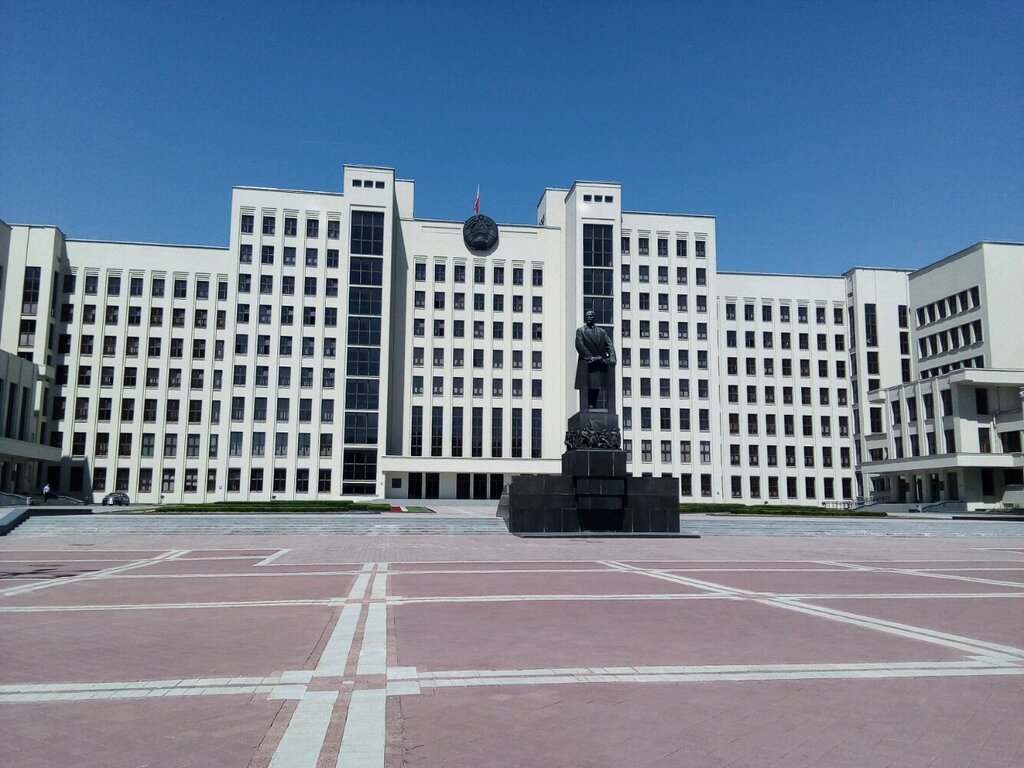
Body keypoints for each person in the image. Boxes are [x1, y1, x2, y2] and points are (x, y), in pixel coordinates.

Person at [574, 309, 617, 413]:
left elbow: (609, 345)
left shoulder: (602, 332)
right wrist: (590, 357)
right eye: (587, 316)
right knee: (586, 386)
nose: (588, 318)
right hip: (586, 363)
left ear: (594, 318)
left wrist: (612, 357)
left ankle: (593, 404)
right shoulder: (581, 331)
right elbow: (580, 345)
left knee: (596, 385)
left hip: (599, 364)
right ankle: (587, 405)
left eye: (590, 316)